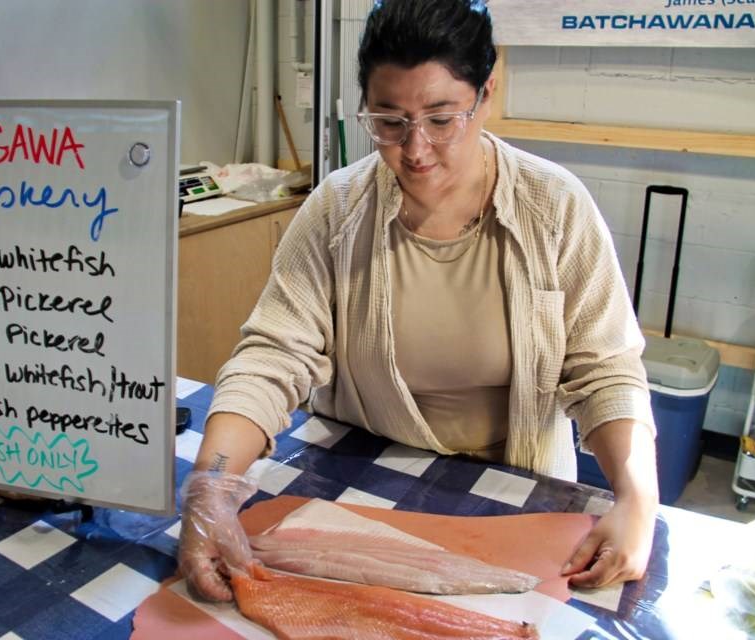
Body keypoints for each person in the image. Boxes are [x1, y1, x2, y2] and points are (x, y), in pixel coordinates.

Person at [179, 0, 658, 603]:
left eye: (440, 118)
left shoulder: (555, 207)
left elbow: (606, 370)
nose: (415, 150)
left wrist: (638, 501)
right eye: (389, 121)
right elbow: (272, 356)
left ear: (486, 93)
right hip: (362, 485)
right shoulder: (337, 210)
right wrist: (210, 487)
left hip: (518, 494)